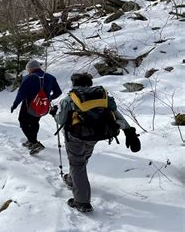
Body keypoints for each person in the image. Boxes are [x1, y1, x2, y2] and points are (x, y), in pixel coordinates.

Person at [51, 73, 141, 213]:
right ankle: (71, 179)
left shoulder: (69, 99)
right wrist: (129, 131)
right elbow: (116, 114)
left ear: (74, 84)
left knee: (77, 163)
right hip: (97, 134)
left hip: (75, 136)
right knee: (84, 156)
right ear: (90, 84)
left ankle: (82, 202)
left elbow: (61, 120)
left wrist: (53, 113)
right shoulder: (103, 97)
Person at [10, 60, 62, 154]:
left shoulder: (28, 77)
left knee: (23, 122)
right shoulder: (50, 77)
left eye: (28, 69)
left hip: (28, 105)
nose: (28, 71)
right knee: (34, 122)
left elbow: (21, 93)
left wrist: (14, 105)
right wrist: (48, 98)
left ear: (31, 68)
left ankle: (34, 143)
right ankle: (31, 141)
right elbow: (58, 92)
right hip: (43, 105)